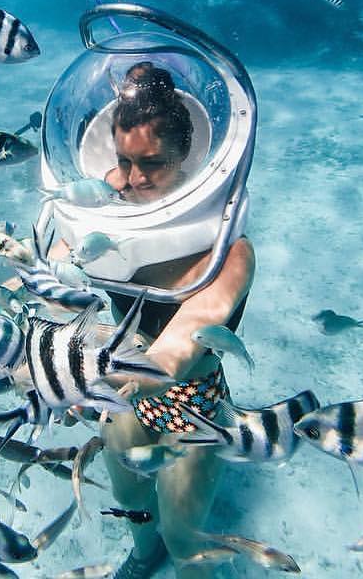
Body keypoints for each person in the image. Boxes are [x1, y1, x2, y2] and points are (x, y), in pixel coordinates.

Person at [59, 62, 255, 579]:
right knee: (136, 514)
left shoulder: (229, 253)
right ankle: (145, 558)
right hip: (120, 396)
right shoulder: (106, 209)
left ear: (188, 158)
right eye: (123, 161)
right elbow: (49, 270)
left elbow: (176, 351)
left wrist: (79, 370)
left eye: (153, 163)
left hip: (194, 405)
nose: (132, 180)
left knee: (184, 538)